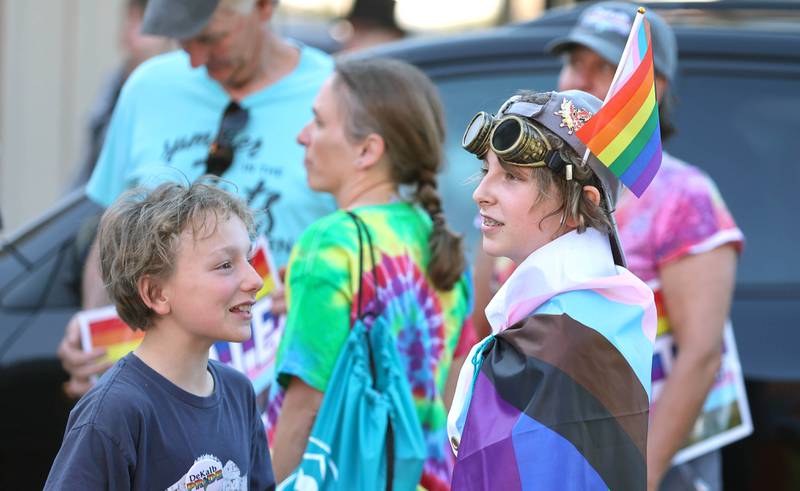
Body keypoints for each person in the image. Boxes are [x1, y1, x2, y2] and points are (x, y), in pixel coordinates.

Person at [471, 3, 743, 490]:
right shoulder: (525, 193)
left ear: (651, 91)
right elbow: (481, 325)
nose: (585, 78)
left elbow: (701, 354)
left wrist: (641, 473)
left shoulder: (686, 195)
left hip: (640, 448)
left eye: (605, 68)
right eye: (577, 62)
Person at [58, 0, 336, 399]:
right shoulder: (147, 88)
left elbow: (376, 242)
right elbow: (112, 235)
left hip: (293, 395)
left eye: (210, 38)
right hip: (162, 400)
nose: (195, 60)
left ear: (263, 7)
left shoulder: (334, 94)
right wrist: (94, 330)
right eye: (184, 41)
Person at [268, 58, 473, 489]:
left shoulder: (330, 243)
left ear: (368, 150)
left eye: (319, 122)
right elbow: (456, 391)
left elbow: (304, 407)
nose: (302, 135)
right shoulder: (441, 240)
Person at [449, 89, 656, 489]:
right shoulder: (605, 305)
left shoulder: (554, 336)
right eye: (486, 170)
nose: (481, 192)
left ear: (582, 205)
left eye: (511, 176)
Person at [44, 182, 274, 490]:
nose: (255, 279)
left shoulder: (238, 393)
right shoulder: (115, 412)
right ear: (156, 293)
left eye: (248, 258)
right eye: (225, 265)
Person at [70, 0, 173, 188]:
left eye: (140, 21)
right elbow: (91, 167)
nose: (130, 30)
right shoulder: (114, 83)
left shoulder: (173, 90)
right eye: (128, 19)